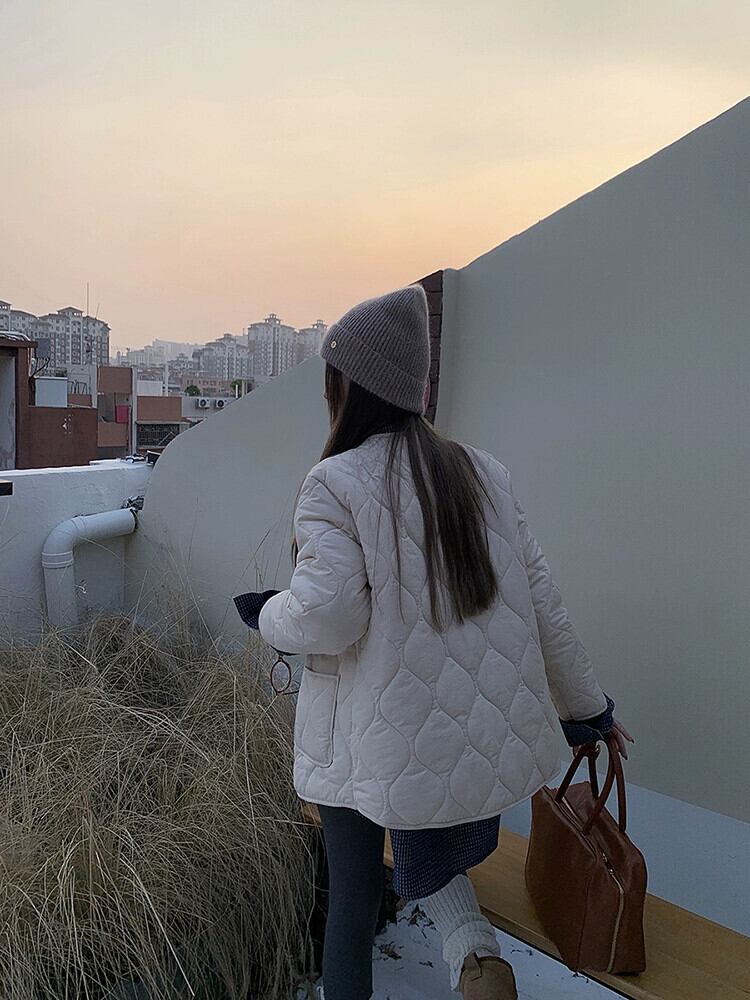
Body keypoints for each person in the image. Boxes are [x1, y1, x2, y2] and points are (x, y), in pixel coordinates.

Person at [235, 284, 634, 1000]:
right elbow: (546, 605)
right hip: (472, 744)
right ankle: (476, 962)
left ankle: (458, 964)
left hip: (370, 742)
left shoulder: (335, 481)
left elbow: (326, 617)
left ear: (347, 388)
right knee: (422, 820)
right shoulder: (483, 473)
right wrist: (588, 710)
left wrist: (267, 615)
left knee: (353, 899)